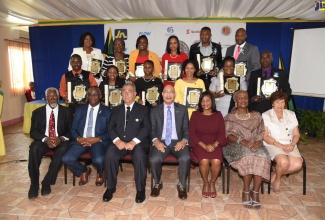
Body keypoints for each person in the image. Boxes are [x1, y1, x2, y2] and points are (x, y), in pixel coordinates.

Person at [103, 83, 151, 203]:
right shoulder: (115, 109)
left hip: (138, 143)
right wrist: (117, 140)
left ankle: (140, 190)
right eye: (124, 91)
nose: (126, 93)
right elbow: (110, 127)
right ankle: (110, 187)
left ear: (135, 94)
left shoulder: (144, 109)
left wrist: (134, 142)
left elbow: (146, 128)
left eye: (129, 91)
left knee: (139, 156)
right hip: (120, 142)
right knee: (110, 154)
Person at [223, 90, 270, 209]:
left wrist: (258, 142)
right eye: (240, 98)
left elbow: (261, 131)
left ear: (249, 100)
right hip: (236, 145)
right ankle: (246, 190)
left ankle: (255, 192)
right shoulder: (230, 117)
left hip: (256, 144)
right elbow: (228, 134)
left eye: (245, 98)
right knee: (248, 156)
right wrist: (243, 142)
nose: (243, 100)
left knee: (263, 157)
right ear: (235, 101)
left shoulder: (256, 115)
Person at [28, 87, 72, 199]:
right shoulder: (37, 112)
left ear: (58, 97)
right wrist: (46, 139)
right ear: (46, 98)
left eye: (55, 96)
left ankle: (46, 182)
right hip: (44, 141)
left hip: (60, 141)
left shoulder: (66, 112)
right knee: (34, 148)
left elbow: (72, 131)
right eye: (50, 96)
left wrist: (61, 139)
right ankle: (34, 185)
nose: (52, 98)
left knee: (63, 149)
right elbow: (33, 131)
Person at [62, 87, 111, 186]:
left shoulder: (107, 111)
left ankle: (100, 173)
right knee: (66, 158)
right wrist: (78, 138)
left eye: (96, 94)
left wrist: (98, 138)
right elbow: (73, 128)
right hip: (81, 140)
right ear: (87, 96)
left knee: (98, 160)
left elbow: (110, 131)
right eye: (90, 94)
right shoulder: (80, 110)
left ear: (100, 96)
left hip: (98, 141)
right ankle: (84, 170)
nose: (93, 96)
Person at [149, 85, 190, 200]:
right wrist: (156, 141)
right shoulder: (154, 110)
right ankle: (158, 182)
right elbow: (151, 130)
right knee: (154, 159)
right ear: (162, 94)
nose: (168, 95)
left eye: (171, 92)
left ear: (175, 94)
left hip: (178, 141)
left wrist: (183, 141)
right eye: (166, 92)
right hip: (161, 141)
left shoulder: (182, 109)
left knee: (185, 158)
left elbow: (187, 129)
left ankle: (181, 185)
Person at [189, 91, 228, 198]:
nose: (205, 103)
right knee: (204, 160)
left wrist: (214, 145)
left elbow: (222, 133)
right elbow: (192, 133)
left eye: (207, 100)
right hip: (199, 143)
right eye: (202, 101)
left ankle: (212, 182)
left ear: (212, 102)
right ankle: (206, 182)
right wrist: (204, 146)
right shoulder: (195, 114)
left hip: (216, 142)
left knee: (216, 161)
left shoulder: (218, 115)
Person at [262, 91, 302, 193]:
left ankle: (274, 175)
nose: (280, 105)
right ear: (272, 103)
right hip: (273, 144)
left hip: (289, 144)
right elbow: (265, 136)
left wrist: (292, 144)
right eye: (277, 102)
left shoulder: (291, 114)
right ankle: (278, 181)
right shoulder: (266, 115)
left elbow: (296, 134)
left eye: (282, 102)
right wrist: (281, 146)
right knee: (284, 162)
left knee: (297, 165)